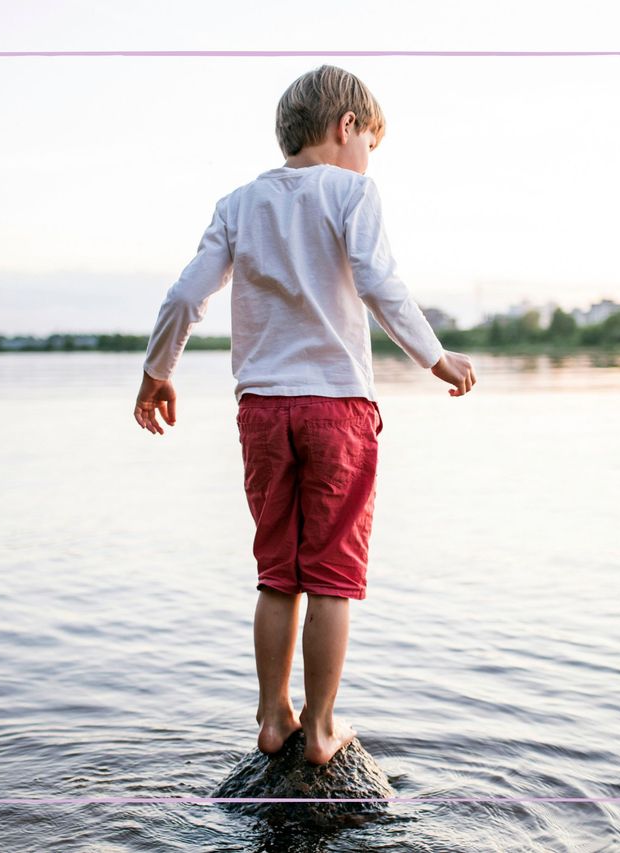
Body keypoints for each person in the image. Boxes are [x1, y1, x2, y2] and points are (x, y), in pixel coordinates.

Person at [133, 65, 476, 766]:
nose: (368, 157)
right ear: (346, 127)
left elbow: (183, 297)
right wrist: (435, 359)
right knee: (332, 573)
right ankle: (320, 727)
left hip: (261, 410)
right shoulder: (353, 191)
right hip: (337, 409)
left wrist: (156, 372)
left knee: (276, 570)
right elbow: (381, 285)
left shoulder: (237, 203)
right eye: (370, 142)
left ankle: (271, 716)